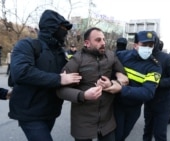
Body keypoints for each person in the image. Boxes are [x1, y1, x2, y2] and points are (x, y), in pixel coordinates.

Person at [8, 9, 82, 141]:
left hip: (50, 111)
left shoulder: (60, 52)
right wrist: (59, 79)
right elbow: (21, 72)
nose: (65, 31)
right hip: (29, 112)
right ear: (52, 28)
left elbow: (69, 75)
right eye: (63, 28)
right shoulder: (27, 45)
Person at [57, 27, 128, 141]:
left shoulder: (111, 56)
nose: (103, 43)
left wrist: (113, 84)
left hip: (107, 121)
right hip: (83, 122)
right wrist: (83, 95)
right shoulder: (77, 60)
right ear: (87, 43)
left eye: (104, 39)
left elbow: (124, 77)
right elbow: (60, 90)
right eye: (98, 40)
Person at [113, 31, 162, 141]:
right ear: (135, 45)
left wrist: (122, 89)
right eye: (144, 45)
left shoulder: (155, 67)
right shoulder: (121, 56)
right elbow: (106, 68)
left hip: (133, 109)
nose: (148, 48)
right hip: (115, 105)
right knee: (114, 136)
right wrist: (117, 73)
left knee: (121, 137)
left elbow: (148, 93)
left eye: (151, 46)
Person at [143, 37, 170, 141]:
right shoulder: (143, 56)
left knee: (159, 133)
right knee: (147, 130)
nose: (147, 47)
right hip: (148, 100)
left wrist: (158, 83)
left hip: (163, 101)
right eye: (145, 44)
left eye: (150, 44)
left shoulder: (167, 58)